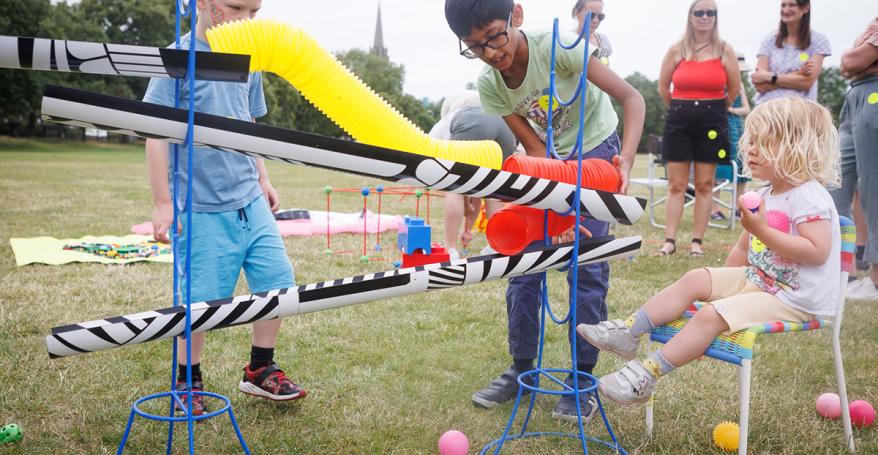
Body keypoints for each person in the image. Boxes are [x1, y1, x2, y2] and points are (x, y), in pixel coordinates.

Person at [445, 0, 645, 422]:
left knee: (585, 262)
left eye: (495, 36)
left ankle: (581, 379)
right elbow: (536, 149)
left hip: (596, 149)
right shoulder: (490, 84)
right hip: (548, 158)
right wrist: (553, 209)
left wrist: (625, 158)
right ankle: (522, 366)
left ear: (516, 15)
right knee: (522, 261)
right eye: (475, 46)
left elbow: (632, 98)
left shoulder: (561, 47)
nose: (491, 52)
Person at [577, 97, 841, 405]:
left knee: (711, 316)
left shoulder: (810, 197)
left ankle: (647, 374)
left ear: (796, 146)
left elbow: (817, 251)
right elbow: (744, 247)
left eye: (762, 142)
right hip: (761, 281)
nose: (750, 150)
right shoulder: (764, 193)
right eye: (750, 141)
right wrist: (722, 288)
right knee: (695, 279)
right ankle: (630, 330)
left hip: (795, 297)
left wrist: (762, 232)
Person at [143, 0, 305, 415]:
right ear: (207, 5)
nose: (247, 20)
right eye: (238, 8)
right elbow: (154, 135)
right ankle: (187, 381)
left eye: (255, 12)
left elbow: (249, 122)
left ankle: (260, 371)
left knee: (278, 286)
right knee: (201, 304)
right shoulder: (177, 60)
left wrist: (263, 178)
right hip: (201, 207)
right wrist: (163, 203)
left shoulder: (246, 59)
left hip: (249, 199)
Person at [656, 0, 741, 256]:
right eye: (699, 12)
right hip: (679, 118)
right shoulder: (676, 49)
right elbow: (663, 88)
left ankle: (696, 242)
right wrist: (683, 109)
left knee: (705, 184)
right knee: (676, 184)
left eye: (710, 13)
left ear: (716, 18)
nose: (705, 17)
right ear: (690, 17)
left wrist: (712, 109)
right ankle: (669, 241)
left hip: (712, 119)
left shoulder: (725, 50)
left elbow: (734, 89)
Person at [429, 91, 517, 260]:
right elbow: (475, 191)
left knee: (453, 187)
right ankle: (496, 245)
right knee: (493, 188)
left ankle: (450, 249)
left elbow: (426, 150)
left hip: (474, 126)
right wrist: (468, 228)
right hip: (505, 126)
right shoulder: (484, 108)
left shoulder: (445, 123)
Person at [831, 16, 878, 300]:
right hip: (855, 95)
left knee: (873, 188)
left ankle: (875, 279)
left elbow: (849, 62)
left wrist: (854, 59)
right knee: (833, 178)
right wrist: (855, 60)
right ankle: (842, 273)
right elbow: (849, 65)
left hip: (874, 94)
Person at [751, 0, 831, 104]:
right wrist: (798, 74)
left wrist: (769, 76)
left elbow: (806, 83)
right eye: (783, 5)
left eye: (792, 5)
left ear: (805, 8)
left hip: (800, 111)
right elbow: (759, 84)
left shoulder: (818, 40)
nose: (785, 10)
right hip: (767, 111)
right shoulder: (770, 39)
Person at [712, 52, 752, 221]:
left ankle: (738, 208)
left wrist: (731, 110)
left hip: (738, 128)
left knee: (742, 168)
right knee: (719, 169)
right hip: (719, 127)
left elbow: (746, 109)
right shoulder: (717, 83)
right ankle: (714, 209)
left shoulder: (741, 85)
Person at [572, 0, 611, 65]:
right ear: (576, 13)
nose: (596, 20)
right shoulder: (569, 40)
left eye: (600, 16)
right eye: (591, 15)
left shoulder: (604, 40)